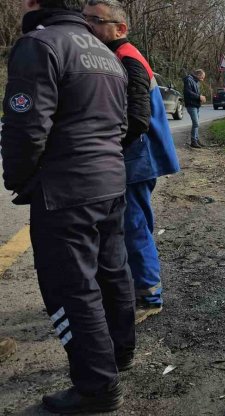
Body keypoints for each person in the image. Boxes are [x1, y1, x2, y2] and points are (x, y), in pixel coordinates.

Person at [1, 0, 133, 412]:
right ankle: (119, 354)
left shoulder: (39, 45)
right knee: (113, 272)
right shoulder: (105, 53)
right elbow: (122, 123)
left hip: (65, 191)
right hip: (110, 182)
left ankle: (97, 387)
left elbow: (26, 125)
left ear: (33, 3)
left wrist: (19, 178)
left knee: (71, 289)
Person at [83, 0, 180, 324]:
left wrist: (106, 145)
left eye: (95, 21)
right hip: (136, 157)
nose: (88, 27)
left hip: (138, 158)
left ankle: (150, 297)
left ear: (120, 28)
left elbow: (137, 119)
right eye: (85, 20)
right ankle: (134, 289)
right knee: (130, 226)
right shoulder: (119, 56)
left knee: (135, 226)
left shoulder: (127, 59)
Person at [183, 69, 206, 148]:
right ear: (198, 75)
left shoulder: (196, 81)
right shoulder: (188, 80)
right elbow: (188, 92)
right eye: (202, 77)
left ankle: (196, 139)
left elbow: (196, 93)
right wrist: (199, 97)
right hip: (191, 105)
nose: (202, 79)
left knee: (196, 124)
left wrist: (201, 98)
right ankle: (193, 141)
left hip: (196, 105)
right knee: (196, 123)